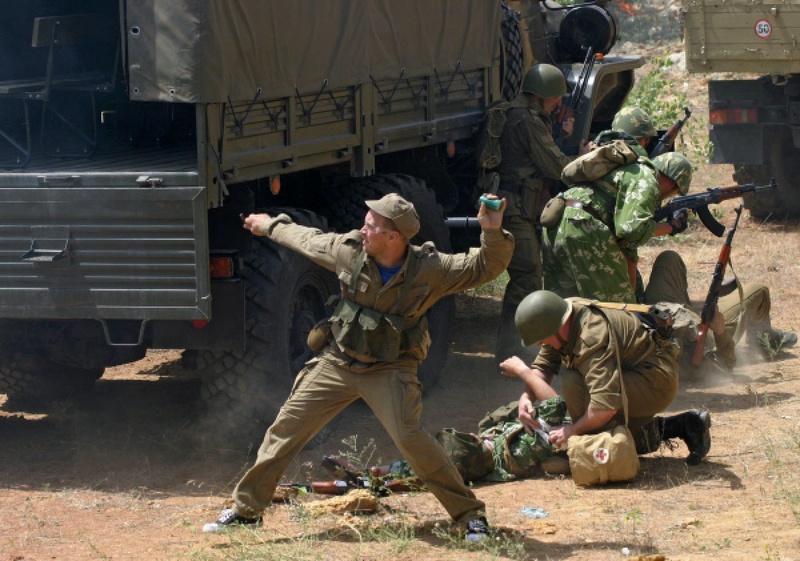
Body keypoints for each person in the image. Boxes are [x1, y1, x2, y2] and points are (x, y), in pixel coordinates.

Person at [203, 192, 514, 542]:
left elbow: (486, 266)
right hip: (338, 361)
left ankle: (469, 515)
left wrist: (491, 231)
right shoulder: (350, 251)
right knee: (285, 430)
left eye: (371, 226)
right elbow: (306, 239)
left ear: (393, 237)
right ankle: (246, 511)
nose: (362, 229)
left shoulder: (430, 270)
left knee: (412, 440)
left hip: (390, 368)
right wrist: (268, 225)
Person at [509, 290, 712, 466]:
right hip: (635, 373)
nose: (540, 345)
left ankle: (598, 449)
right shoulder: (562, 314)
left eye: (542, 340)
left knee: (577, 388)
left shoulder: (591, 336)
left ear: (556, 327)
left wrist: (573, 430)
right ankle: (684, 425)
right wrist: (526, 398)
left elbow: (604, 407)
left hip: (655, 382)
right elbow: (545, 365)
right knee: (580, 393)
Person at [488, 63, 595, 362]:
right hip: (515, 207)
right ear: (541, 96)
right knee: (527, 279)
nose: (559, 102)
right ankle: (512, 352)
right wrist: (584, 157)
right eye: (555, 98)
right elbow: (557, 167)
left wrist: (559, 133)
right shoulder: (527, 120)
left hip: (518, 204)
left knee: (529, 276)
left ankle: (516, 350)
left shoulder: (526, 115)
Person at [541, 151, 693, 303]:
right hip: (585, 227)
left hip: (556, 218)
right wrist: (671, 226)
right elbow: (631, 230)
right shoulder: (648, 180)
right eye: (675, 192)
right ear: (674, 184)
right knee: (615, 309)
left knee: (562, 303)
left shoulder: (628, 170)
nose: (669, 196)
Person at [644, 250, 797, 373]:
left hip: (658, 313)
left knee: (669, 258)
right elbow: (724, 364)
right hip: (701, 331)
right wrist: (720, 332)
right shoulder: (688, 364)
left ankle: (685, 309)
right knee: (759, 291)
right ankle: (766, 341)